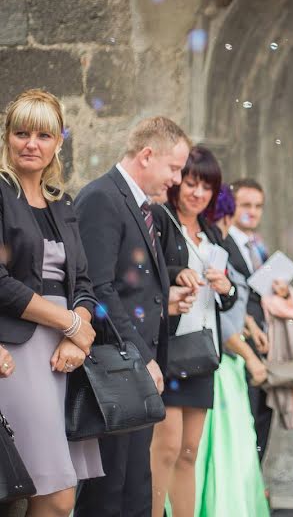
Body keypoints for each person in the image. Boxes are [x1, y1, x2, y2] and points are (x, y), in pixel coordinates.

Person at [74, 116, 191, 517]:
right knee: (108, 493)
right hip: (113, 370)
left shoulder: (146, 209)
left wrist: (169, 298)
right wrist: (143, 356)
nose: (176, 179)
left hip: (134, 371)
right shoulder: (102, 199)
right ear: (146, 155)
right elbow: (99, 288)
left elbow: (133, 286)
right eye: (174, 168)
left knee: (135, 488)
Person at [0, 89, 102, 517]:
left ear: (58, 142)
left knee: (60, 493)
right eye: (21, 133)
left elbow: (84, 282)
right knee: (53, 494)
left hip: (65, 356)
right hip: (19, 350)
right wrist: (71, 324)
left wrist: (78, 336)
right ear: (7, 138)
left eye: (43, 135)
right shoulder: (1, 195)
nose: (31, 144)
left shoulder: (64, 203)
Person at [148, 147, 237, 517]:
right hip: (170, 347)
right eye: (191, 182)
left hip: (203, 350)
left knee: (189, 450)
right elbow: (145, 274)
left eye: (206, 186)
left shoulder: (214, 234)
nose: (197, 193)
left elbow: (229, 301)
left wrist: (226, 287)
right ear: (178, 182)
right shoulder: (161, 219)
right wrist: (175, 274)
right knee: (165, 448)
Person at [193, 186, 269, 516]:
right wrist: (250, 356)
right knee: (225, 450)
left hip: (234, 361)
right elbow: (219, 319)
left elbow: (236, 304)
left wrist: (251, 326)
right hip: (222, 362)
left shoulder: (221, 248)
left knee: (239, 445)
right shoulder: (212, 251)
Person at [223, 178, 273, 459]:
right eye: (246, 205)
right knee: (247, 418)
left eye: (258, 206)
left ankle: (255, 485)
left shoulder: (258, 245)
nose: (253, 212)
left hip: (262, 339)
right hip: (238, 340)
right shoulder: (224, 241)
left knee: (264, 415)